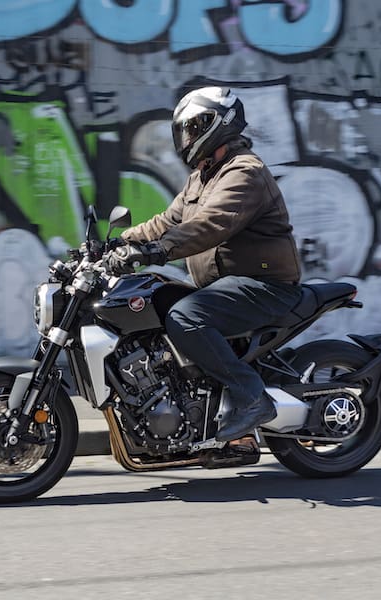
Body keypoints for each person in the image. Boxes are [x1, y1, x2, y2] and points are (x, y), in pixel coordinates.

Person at [105, 86, 302, 443]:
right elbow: (167, 221)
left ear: (221, 123)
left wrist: (157, 251)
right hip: (225, 287)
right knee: (161, 305)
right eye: (186, 129)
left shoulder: (244, 172)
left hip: (263, 287)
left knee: (186, 317)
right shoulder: (203, 176)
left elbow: (211, 224)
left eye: (195, 127)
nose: (188, 137)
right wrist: (121, 242)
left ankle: (253, 399)